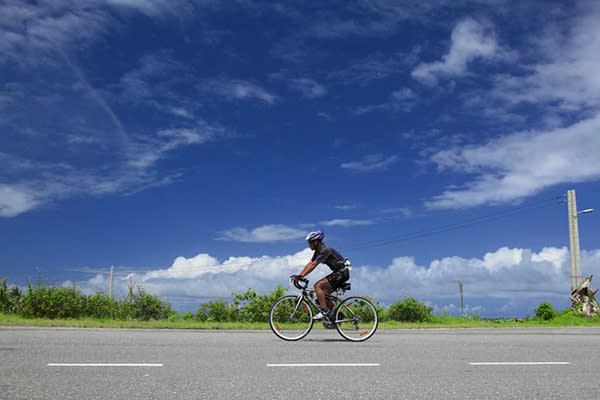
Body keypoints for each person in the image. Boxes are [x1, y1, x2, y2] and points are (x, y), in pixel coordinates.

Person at [293, 230, 350, 321]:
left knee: (317, 286)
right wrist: (299, 275)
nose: (309, 245)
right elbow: (310, 263)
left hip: (341, 273)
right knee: (322, 296)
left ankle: (325, 311)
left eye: (310, 242)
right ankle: (335, 316)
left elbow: (313, 265)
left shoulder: (325, 250)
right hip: (338, 273)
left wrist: (301, 276)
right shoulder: (318, 251)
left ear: (317, 242)